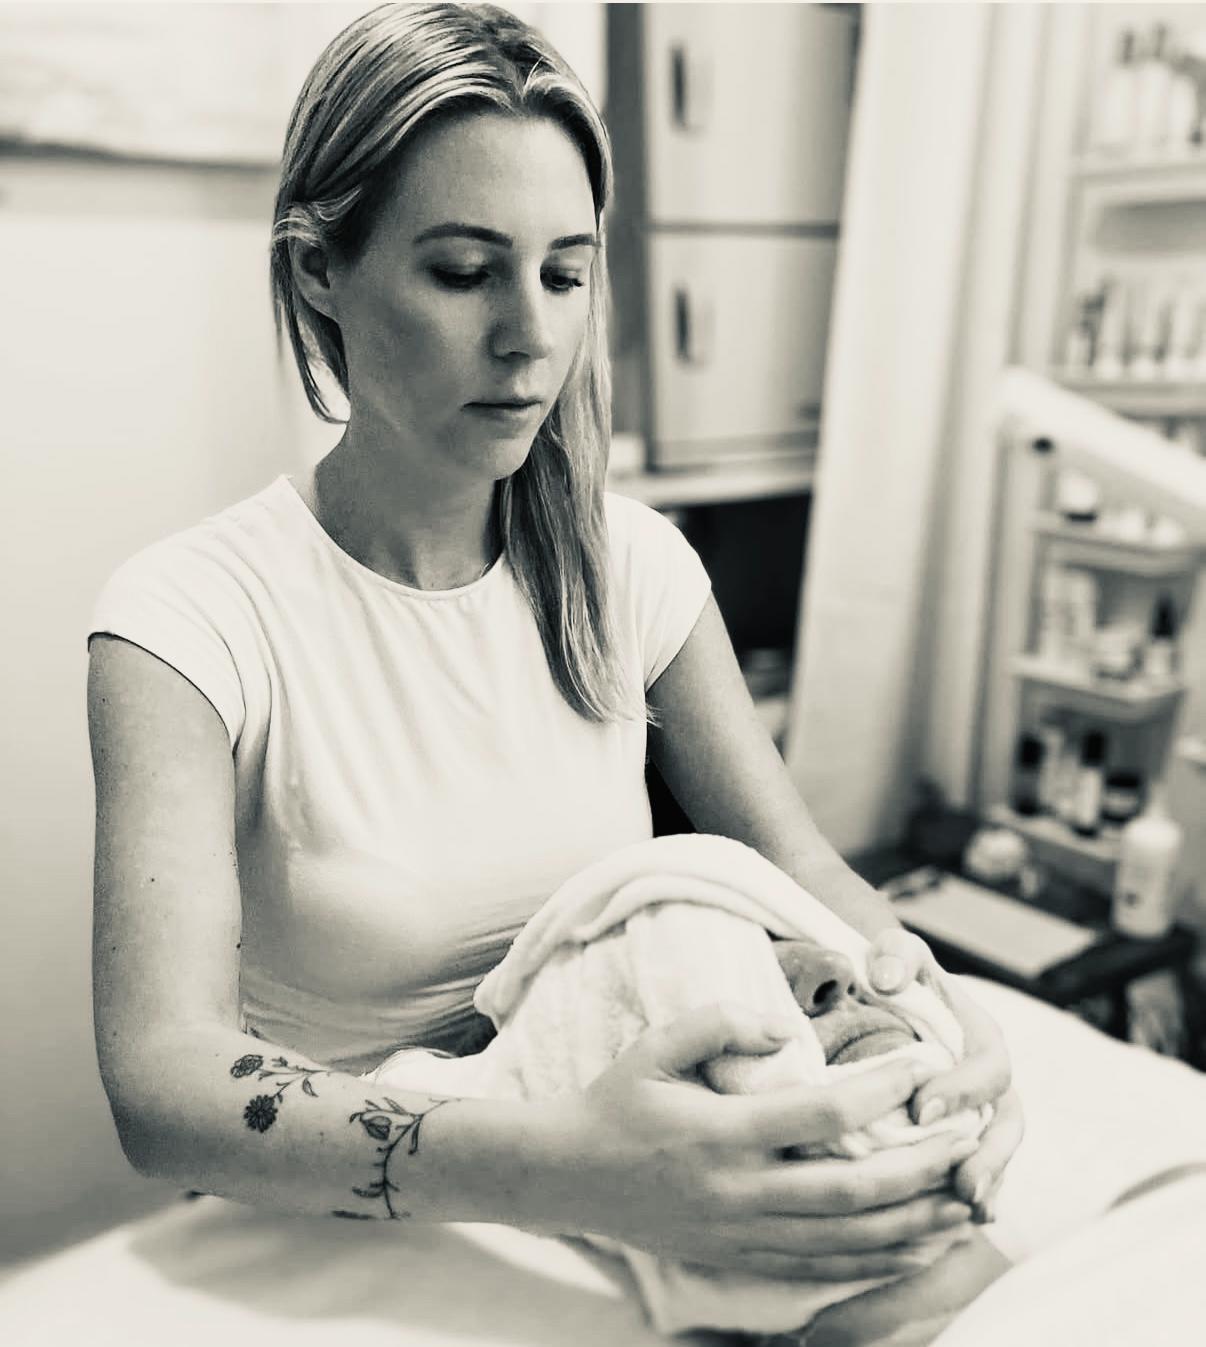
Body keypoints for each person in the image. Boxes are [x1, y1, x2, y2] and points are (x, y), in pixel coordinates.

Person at [87, 0, 1021, 1283]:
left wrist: (949, 1028)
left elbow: (799, 867)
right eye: (463, 273)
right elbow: (165, 1083)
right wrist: (570, 1164)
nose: (530, 335)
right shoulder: (186, 621)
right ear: (318, 270)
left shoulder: (632, 567)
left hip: (632, 1170)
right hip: (361, 1222)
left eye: (565, 274)